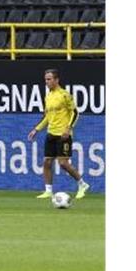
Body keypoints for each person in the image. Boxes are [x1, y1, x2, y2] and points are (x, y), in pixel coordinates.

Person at [27, 68, 90, 200]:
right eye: (45, 79)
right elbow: (47, 117)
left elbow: (75, 113)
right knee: (47, 162)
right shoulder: (48, 96)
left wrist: (68, 128)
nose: (47, 82)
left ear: (56, 80)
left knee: (63, 163)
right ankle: (48, 190)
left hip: (63, 134)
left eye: (49, 79)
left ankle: (82, 184)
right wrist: (36, 129)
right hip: (51, 133)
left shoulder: (65, 95)